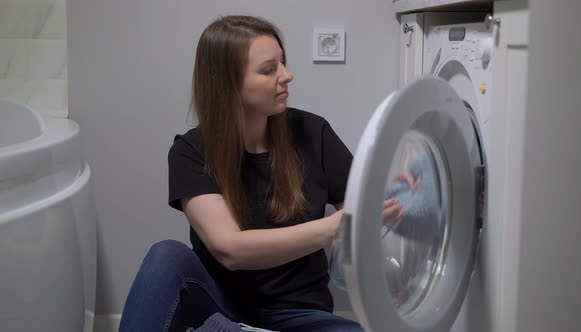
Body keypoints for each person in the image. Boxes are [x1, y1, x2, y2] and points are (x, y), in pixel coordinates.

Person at [119, 15, 407, 332]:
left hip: (301, 314)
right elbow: (230, 249)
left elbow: (359, 218)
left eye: (283, 63)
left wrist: (392, 201)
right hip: (221, 305)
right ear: (228, 85)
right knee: (166, 257)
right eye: (269, 69)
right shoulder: (190, 152)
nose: (287, 75)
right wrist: (333, 228)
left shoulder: (314, 132)